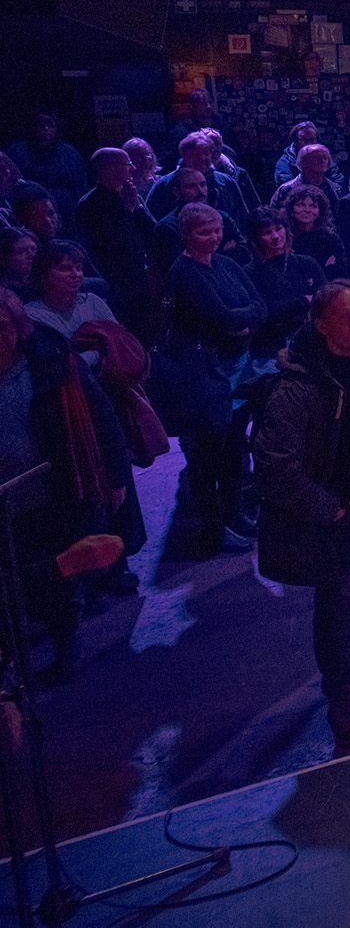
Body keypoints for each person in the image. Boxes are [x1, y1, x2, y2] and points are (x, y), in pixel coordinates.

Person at [253, 280, 350, 745]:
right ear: (320, 325)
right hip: (335, 517)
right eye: (347, 317)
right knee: (337, 608)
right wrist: (331, 510)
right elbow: (275, 467)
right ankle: (343, 693)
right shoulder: (298, 387)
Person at [0, 288, 135, 677]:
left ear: (19, 326)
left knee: (56, 578)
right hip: (4, 502)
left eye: (2, 326)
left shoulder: (52, 359)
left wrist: (115, 476)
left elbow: (101, 415)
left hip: (53, 492)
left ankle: (64, 646)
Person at [163, 202, 267, 556]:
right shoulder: (183, 272)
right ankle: (213, 529)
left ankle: (234, 514)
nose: (213, 237)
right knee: (207, 456)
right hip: (205, 374)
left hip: (239, 368)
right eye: (204, 231)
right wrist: (239, 321)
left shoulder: (226, 264)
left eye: (217, 230)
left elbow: (260, 306)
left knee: (234, 447)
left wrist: (242, 322)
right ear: (185, 234)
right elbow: (219, 316)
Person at [76, 148, 159, 342]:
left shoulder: (131, 195)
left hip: (140, 274)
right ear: (108, 169)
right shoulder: (90, 204)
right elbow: (109, 244)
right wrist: (128, 212)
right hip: (114, 280)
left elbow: (154, 234)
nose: (133, 168)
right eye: (128, 164)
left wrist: (137, 208)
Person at [246, 207, 328, 366]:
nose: (276, 236)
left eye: (278, 229)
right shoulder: (249, 273)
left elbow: (326, 299)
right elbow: (263, 313)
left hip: (312, 344)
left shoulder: (306, 263)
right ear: (255, 239)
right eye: (267, 232)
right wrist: (303, 300)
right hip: (269, 353)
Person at [26, 241, 119, 368]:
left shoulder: (93, 301)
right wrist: (96, 354)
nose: (76, 275)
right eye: (65, 268)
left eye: (79, 268)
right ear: (43, 273)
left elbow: (118, 342)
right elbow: (53, 364)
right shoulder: (32, 314)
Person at [7, 113, 88, 226]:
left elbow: (80, 185)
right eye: (42, 124)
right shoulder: (18, 152)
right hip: (31, 209)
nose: (46, 129)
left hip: (65, 210)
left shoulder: (70, 154)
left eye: (50, 125)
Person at [281, 183, 347, 273]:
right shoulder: (283, 237)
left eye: (313, 206)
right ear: (291, 209)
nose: (307, 210)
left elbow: (339, 271)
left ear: (320, 211)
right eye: (301, 205)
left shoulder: (330, 239)